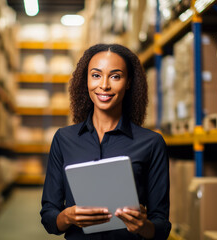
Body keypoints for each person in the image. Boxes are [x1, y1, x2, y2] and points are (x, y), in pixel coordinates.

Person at [40, 43, 171, 240]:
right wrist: (67, 216)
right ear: (86, 80)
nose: (104, 85)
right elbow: (49, 216)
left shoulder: (152, 144)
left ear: (128, 83)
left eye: (115, 76)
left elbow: (161, 226)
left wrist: (143, 226)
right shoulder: (64, 139)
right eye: (96, 75)